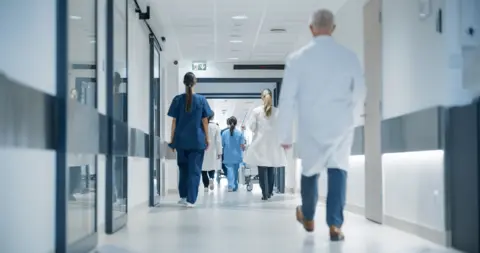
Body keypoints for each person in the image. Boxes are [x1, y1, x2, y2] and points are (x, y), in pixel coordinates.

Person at [277, 9, 366, 241]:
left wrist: (285, 135)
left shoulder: (297, 59)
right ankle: (335, 225)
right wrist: (352, 117)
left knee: (310, 171)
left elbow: (286, 99)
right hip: (341, 124)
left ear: (311, 28)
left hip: (311, 125)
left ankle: (308, 216)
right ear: (333, 28)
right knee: (338, 170)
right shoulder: (348, 56)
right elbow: (360, 92)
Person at [168, 72, 213, 208]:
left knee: (183, 169)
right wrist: (207, 138)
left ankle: (183, 196)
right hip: (197, 141)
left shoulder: (177, 99)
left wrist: (172, 140)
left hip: (181, 141)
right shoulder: (201, 100)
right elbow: (205, 121)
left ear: (184, 82)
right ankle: (191, 200)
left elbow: (174, 122)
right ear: (195, 82)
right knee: (194, 170)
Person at [244, 89, 287, 200]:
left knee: (262, 169)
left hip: (260, 143)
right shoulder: (277, 111)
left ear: (262, 98)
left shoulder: (256, 111)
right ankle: (270, 192)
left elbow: (252, 127)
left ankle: (265, 193)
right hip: (273, 143)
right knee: (271, 168)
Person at [221, 116, 245, 192]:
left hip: (228, 155)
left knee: (230, 170)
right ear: (236, 123)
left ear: (228, 123)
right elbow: (242, 146)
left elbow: (222, 144)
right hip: (237, 155)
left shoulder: (224, 133)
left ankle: (231, 185)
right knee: (234, 171)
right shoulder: (239, 133)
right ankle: (233, 185)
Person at [202, 113, 222, 192]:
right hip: (212, 150)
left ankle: (205, 187)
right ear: (212, 117)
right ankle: (211, 178)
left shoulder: (201, 125)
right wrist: (219, 152)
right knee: (212, 166)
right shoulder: (216, 127)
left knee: (203, 169)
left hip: (203, 150)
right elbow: (218, 141)